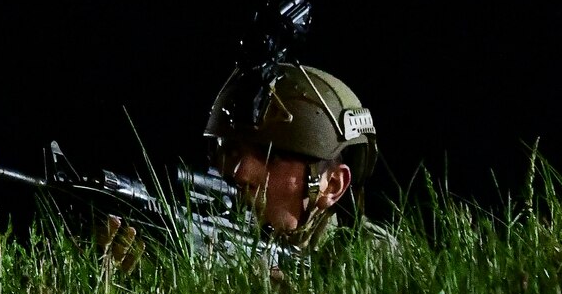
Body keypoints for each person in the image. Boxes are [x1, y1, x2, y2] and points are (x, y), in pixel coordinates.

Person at [95, 58, 390, 270]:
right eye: (231, 150)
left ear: (332, 185)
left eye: (270, 155)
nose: (239, 172)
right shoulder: (208, 232)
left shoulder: (370, 258)